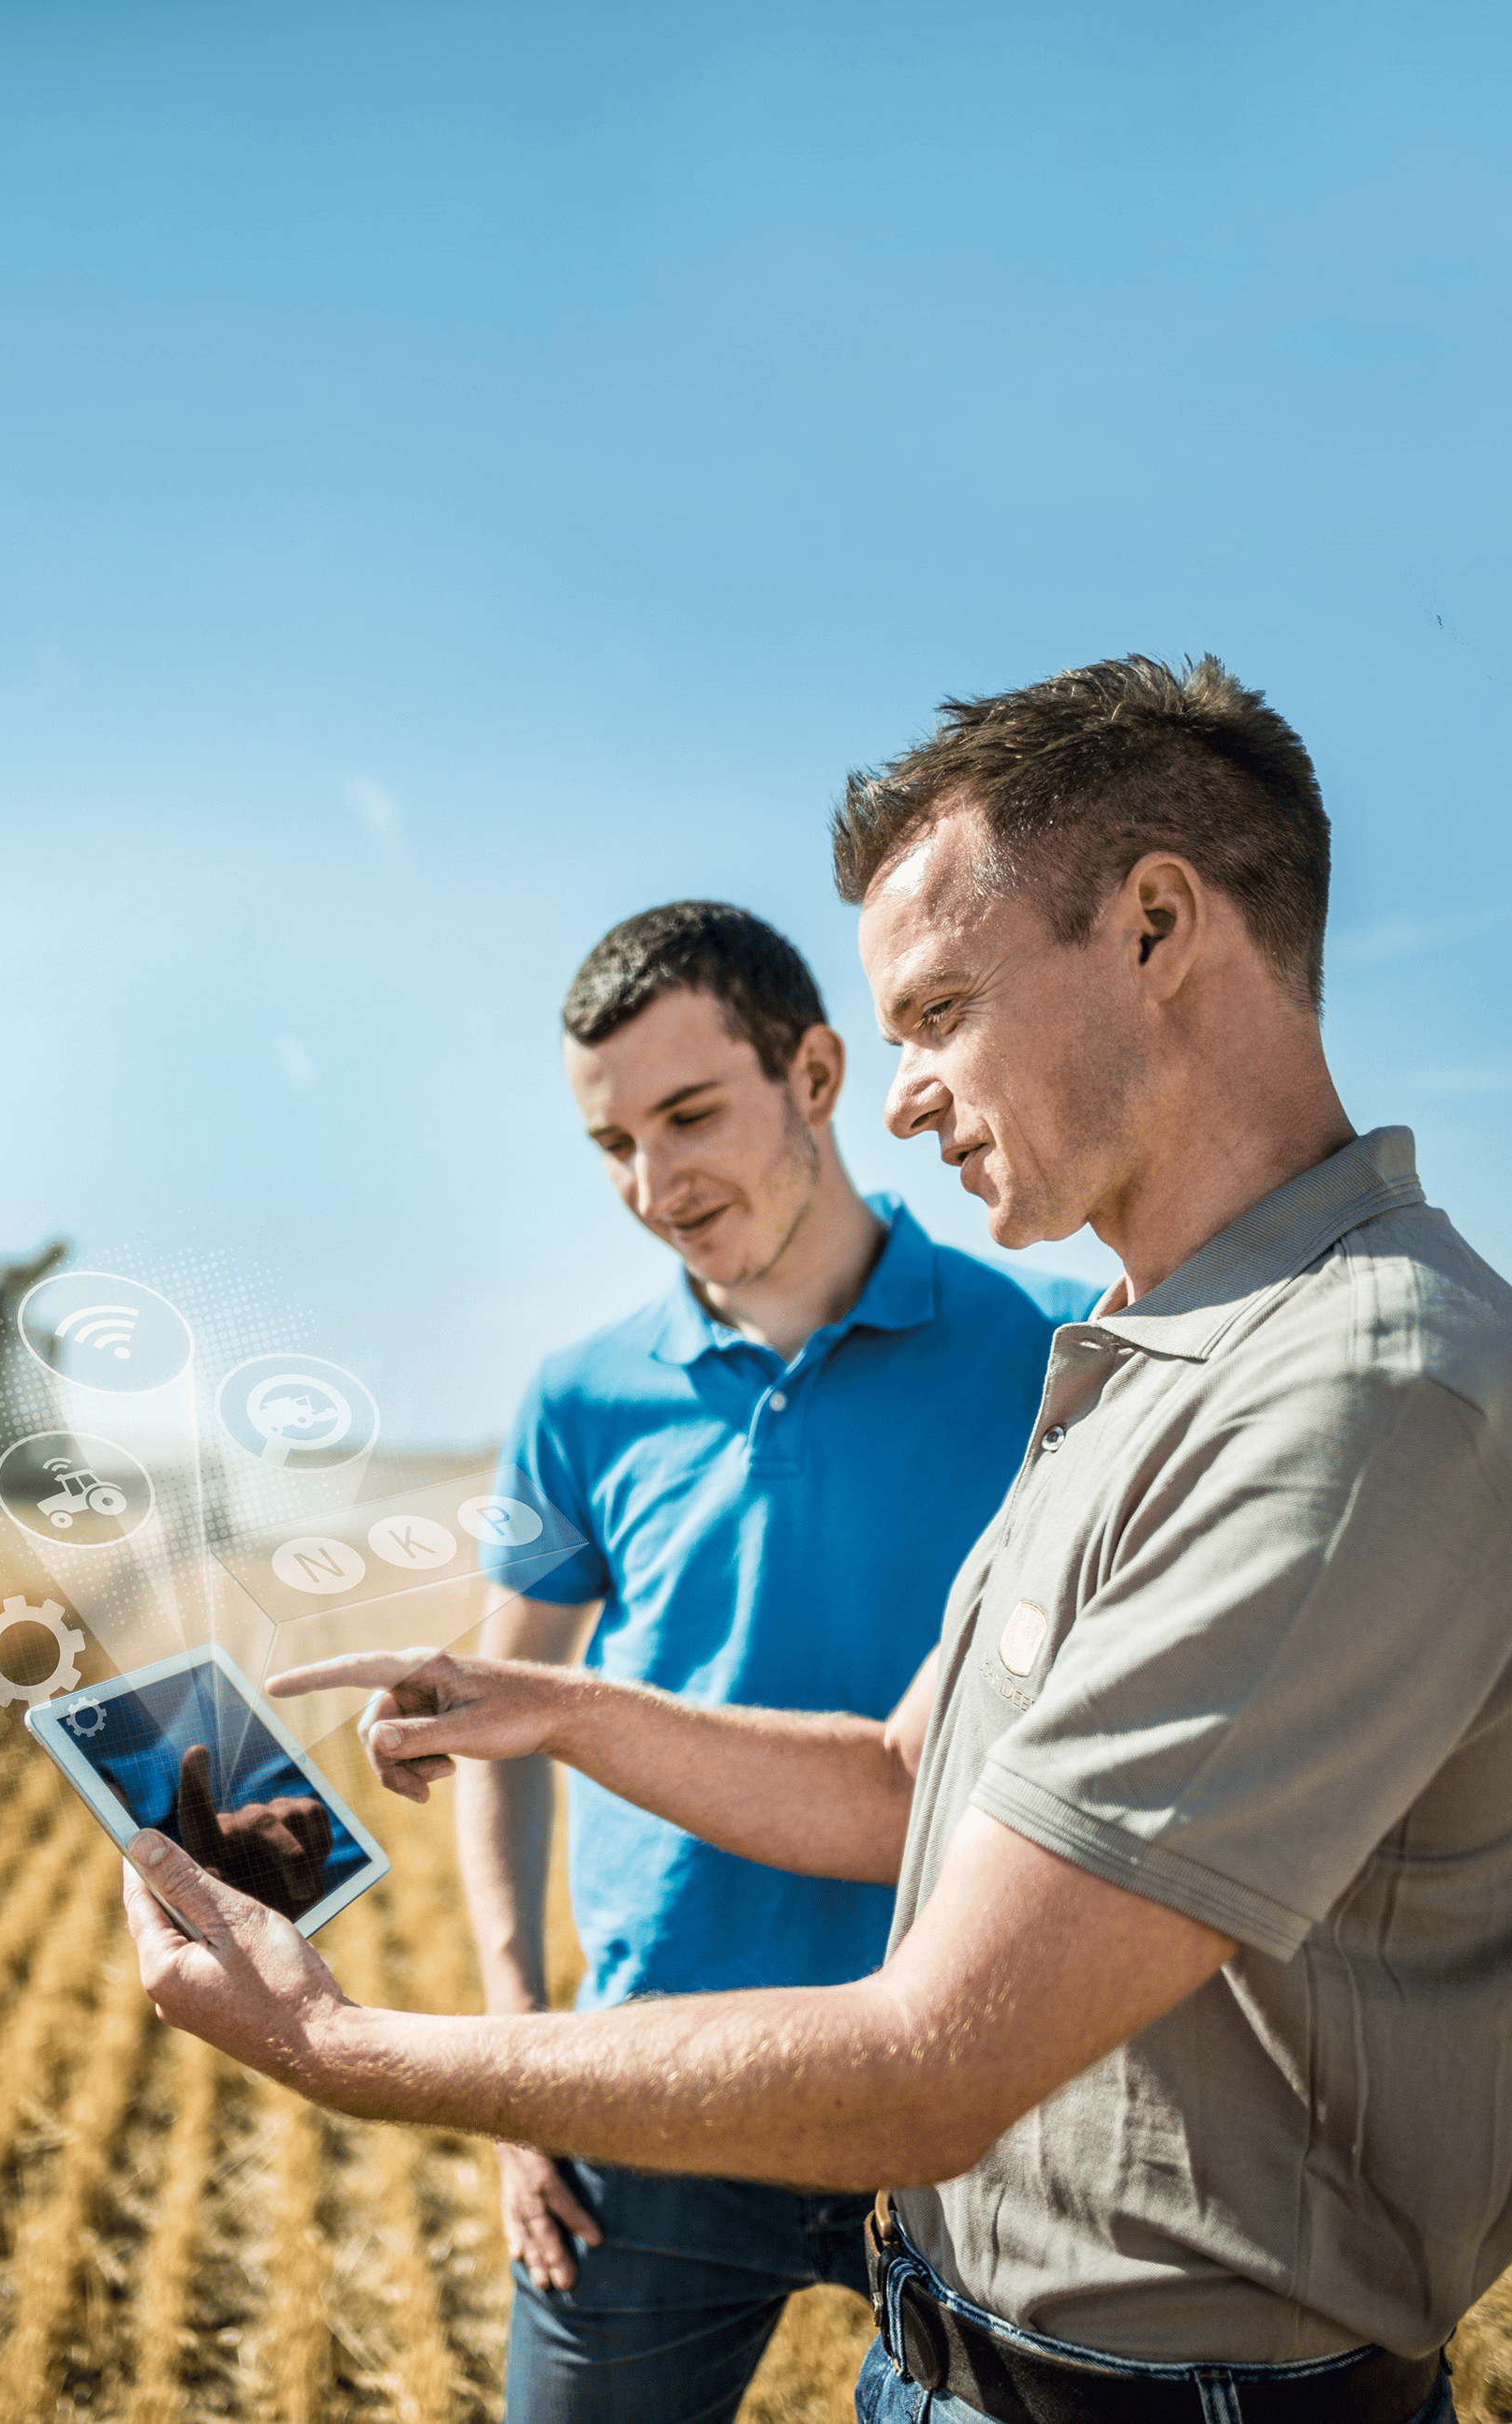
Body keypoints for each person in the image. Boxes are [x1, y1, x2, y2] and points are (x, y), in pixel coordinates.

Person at [119, 657, 1512, 2424]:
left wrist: (344, 2048)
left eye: (939, 1010)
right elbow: (903, 1780)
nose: (910, 1099)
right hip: (946, 2356)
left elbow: (935, 2066)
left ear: (1159, 923)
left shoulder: (1361, 1404)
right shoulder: (1142, 1366)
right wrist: (568, 1712)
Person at [464, 901, 1094, 2423]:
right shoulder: (574, 1398)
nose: (655, 1185)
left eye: (690, 1116)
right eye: (613, 1145)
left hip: (977, 2089)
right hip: (660, 2085)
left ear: (816, 1070)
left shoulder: (1053, 1349)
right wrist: (510, 2049)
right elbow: (504, 1720)